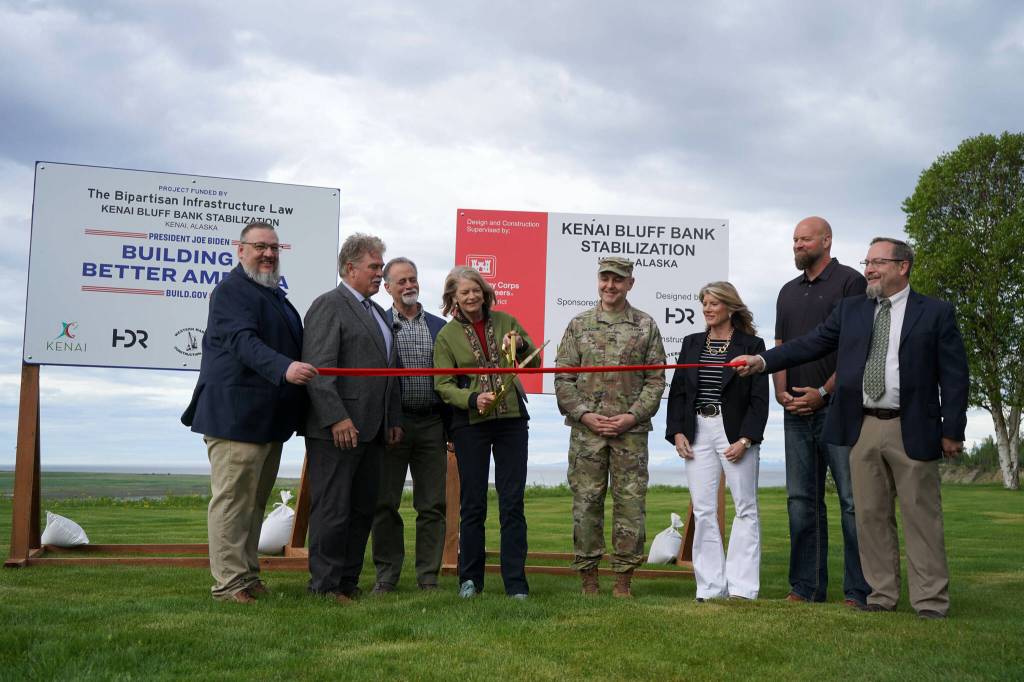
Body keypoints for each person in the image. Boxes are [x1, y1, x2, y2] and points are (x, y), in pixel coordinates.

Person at [735, 237, 969, 619]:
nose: (869, 269)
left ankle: (930, 602)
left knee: (920, 517)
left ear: (903, 266)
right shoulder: (851, 310)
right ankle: (880, 596)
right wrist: (763, 361)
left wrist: (952, 430)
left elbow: (955, 377)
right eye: (867, 261)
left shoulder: (936, 312)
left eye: (877, 262)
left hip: (913, 427)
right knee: (870, 516)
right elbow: (809, 344)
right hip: (862, 427)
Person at [182, 220, 317, 603]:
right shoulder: (230, 292)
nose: (269, 254)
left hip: (265, 421)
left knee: (253, 502)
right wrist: (284, 368)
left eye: (274, 248)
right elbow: (243, 342)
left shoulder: (274, 295)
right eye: (260, 246)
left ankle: (246, 575)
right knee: (232, 501)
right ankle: (227, 584)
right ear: (240, 249)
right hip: (234, 418)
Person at [554, 256, 666, 598]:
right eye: (605, 278)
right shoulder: (579, 325)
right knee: (586, 504)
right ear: (598, 280)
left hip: (629, 434)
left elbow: (655, 380)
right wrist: (585, 415)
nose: (610, 285)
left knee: (630, 505)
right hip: (587, 435)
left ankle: (623, 580)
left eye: (618, 279)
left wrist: (632, 416)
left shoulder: (645, 326)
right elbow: (563, 378)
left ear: (630, 283)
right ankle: (589, 580)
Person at [775, 216, 871, 608]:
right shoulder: (786, 291)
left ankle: (859, 591)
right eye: (794, 239)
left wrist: (822, 391)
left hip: (838, 409)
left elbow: (856, 346)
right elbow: (781, 344)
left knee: (852, 502)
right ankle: (807, 587)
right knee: (801, 501)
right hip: (793, 412)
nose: (797, 245)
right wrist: (781, 391)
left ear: (826, 240)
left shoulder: (851, 282)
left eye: (804, 239)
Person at [302, 233, 402, 604]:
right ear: (350, 268)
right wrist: (336, 418)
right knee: (333, 508)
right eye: (374, 267)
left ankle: (346, 581)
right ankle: (324, 586)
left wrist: (392, 418)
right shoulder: (329, 305)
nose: (380, 273)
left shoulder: (377, 312)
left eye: (380, 267)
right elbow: (319, 368)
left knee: (361, 509)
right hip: (337, 430)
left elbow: (389, 372)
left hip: (373, 430)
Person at [433, 266, 540, 599]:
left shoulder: (507, 321)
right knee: (473, 504)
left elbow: (535, 362)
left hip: (511, 421)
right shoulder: (446, 336)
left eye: (476, 289)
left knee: (512, 503)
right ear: (453, 298)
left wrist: (521, 345)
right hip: (470, 425)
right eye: (464, 292)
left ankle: (516, 584)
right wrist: (472, 398)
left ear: (485, 291)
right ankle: (470, 580)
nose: (471, 296)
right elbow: (442, 384)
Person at [664, 282, 768, 601]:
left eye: (713, 303)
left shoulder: (752, 344)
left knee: (745, 507)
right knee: (704, 510)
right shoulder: (692, 343)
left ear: (730, 307)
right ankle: (710, 588)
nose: (707, 309)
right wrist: (678, 432)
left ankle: (742, 588)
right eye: (704, 303)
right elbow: (679, 391)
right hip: (698, 430)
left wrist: (747, 439)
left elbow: (759, 399)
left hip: (734, 431)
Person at [370, 257, 449, 593]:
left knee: (431, 505)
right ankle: (387, 575)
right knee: (384, 503)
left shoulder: (440, 326)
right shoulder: (378, 325)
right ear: (387, 288)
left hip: (432, 423)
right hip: (393, 424)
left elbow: (452, 379)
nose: (408, 286)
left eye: (412, 279)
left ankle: (428, 576)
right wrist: (390, 420)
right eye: (400, 281)